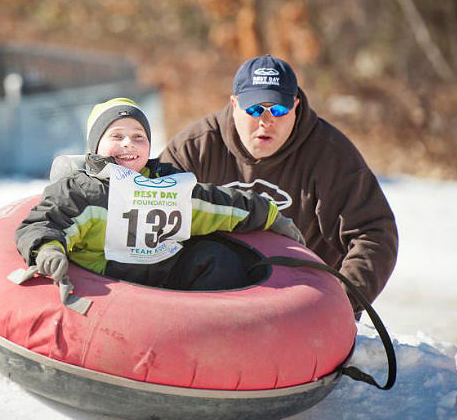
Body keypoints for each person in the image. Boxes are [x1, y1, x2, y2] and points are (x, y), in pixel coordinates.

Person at [159, 55, 398, 312]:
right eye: (254, 109)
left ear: (295, 106)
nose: (266, 120)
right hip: (210, 291)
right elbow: (149, 217)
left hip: (300, 298)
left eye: (279, 110)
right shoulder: (195, 149)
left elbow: (374, 233)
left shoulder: (330, 154)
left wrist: (339, 303)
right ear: (234, 104)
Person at [15, 97, 305, 291]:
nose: (129, 144)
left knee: (216, 258)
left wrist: (269, 214)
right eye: (117, 137)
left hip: (166, 276)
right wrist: (48, 249)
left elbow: (217, 204)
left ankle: (219, 328)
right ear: (95, 147)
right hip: (107, 283)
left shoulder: (167, 186)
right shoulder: (81, 191)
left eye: (138, 137)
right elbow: (45, 222)